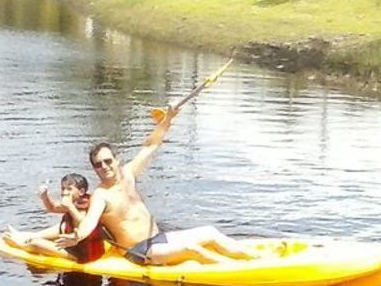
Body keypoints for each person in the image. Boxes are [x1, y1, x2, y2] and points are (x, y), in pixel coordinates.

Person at [55, 110, 257, 266]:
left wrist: (167, 119)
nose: (104, 167)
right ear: (94, 169)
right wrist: (76, 237)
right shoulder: (101, 195)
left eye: (108, 161)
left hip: (158, 237)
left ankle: (256, 258)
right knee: (191, 249)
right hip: (138, 250)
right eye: (98, 165)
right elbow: (89, 224)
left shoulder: (128, 173)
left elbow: (151, 146)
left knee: (210, 232)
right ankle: (236, 269)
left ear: (117, 160)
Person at [3, 173, 105, 263]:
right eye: (63, 188)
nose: (64, 192)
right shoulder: (75, 201)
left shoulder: (86, 205)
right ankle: (23, 236)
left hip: (83, 254)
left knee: (36, 243)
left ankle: (20, 244)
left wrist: (70, 206)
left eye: (69, 189)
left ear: (81, 191)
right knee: (37, 235)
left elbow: (83, 225)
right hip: (74, 244)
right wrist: (45, 197)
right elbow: (53, 208)